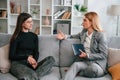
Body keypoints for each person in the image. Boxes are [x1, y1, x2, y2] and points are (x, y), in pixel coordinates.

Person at [56, 12, 108, 80]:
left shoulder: (100, 35)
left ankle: (79, 72)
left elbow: (104, 54)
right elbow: (75, 36)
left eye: (85, 20)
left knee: (93, 68)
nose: (82, 22)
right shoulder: (84, 32)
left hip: (97, 64)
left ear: (92, 22)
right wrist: (65, 36)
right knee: (75, 65)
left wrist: (87, 55)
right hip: (86, 62)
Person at [9, 13, 55, 80]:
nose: (32, 23)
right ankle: (30, 75)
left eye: (32, 21)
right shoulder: (16, 37)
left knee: (51, 59)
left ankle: (27, 77)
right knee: (31, 74)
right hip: (18, 64)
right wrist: (27, 58)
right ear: (22, 23)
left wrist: (34, 62)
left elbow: (36, 52)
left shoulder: (34, 36)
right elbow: (11, 56)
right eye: (29, 22)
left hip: (30, 65)